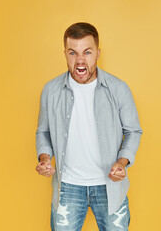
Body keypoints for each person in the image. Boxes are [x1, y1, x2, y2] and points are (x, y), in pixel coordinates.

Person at [35, 22, 142, 231]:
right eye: (73, 53)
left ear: (98, 53)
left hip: (109, 187)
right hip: (67, 187)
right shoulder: (51, 90)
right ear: (65, 53)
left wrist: (122, 162)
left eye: (87, 52)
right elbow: (43, 131)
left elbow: (133, 131)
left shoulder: (118, 89)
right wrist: (45, 158)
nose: (80, 60)